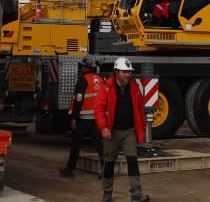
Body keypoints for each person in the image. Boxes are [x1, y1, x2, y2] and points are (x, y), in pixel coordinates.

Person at [95, 57, 150, 202]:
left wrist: (141, 128)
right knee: (109, 163)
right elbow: (99, 109)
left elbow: (139, 108)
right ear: (117, 72)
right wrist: (104, 127)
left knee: (133, 161)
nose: (128, 75)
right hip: (111, 132)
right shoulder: (107, 88)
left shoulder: (134, 87)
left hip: (129, 131)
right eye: (124, 72)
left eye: (129, 72)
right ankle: (107, 195)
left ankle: (136, 195)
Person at [60, 56, 105, 177]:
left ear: (86, 67)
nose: (80, 68)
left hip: (84, 119)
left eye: (82, 67)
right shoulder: (100, 79)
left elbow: (78, 100)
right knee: (100, 144)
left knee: (76, 144)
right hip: (96, 117)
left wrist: (73, 118)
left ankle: (70, 170)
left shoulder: (83, 80)